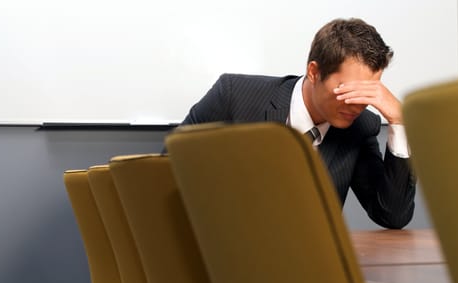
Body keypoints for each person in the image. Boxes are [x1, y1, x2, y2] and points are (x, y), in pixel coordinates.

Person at [178, 18, 415, 229]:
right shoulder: (233, 97)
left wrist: (399, 121)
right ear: (314, 72)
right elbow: (168, 173)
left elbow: (392, 216)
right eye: (347, 90)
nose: (357, 104)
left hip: (306, 266)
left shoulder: (360, 127)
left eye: (367, 92)